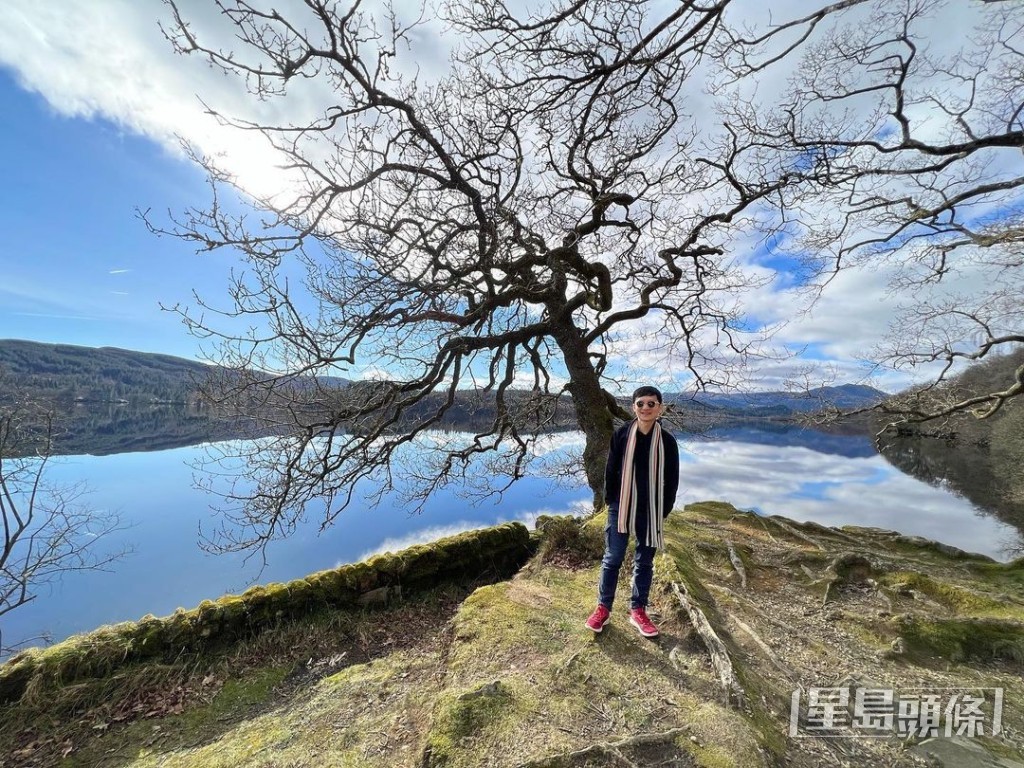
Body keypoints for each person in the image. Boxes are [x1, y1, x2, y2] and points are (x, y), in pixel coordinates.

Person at [585, 385, 679, 638]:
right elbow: (611, 469)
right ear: (633, 407)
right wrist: (611, 501)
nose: (646, 408)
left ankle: (638, 610)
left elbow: (672, 479)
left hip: (652, 508)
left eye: (651, 403)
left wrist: (664, 509)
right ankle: (603, 608)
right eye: (641, 404)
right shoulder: (622, 435)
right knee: (612, 557)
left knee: (644, 561)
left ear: (660, 408)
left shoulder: (668, 442)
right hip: (621, 505)